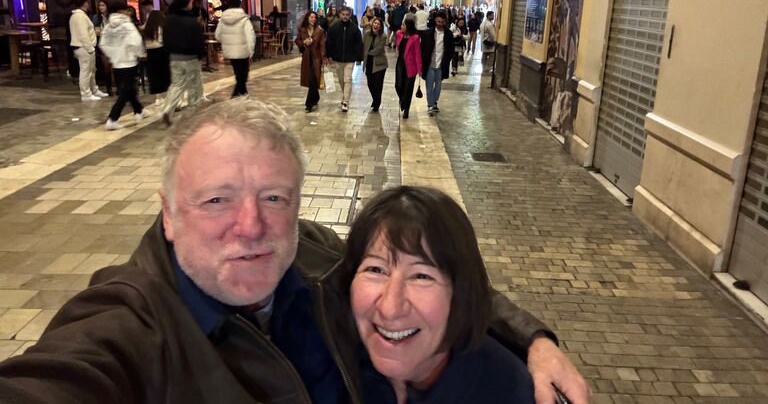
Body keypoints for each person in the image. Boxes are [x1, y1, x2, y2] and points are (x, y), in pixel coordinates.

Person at [0, 98, 590, 404]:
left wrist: (533, 340)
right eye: (216, 201)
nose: (251, 226)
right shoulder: (128, 320)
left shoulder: (314, 256)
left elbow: (435, 274)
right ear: (168, 213)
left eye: (274, 197)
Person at [344, 186, 536, 404]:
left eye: (421, 276)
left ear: (460, 292)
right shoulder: (332, 358)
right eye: (376, 270)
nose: (390, 308)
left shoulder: (508, 389)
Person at [98, 1, 148, 130]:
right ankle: (112, 118)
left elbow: (103, 44)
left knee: (129, 89)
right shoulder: (128, 25)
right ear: (121, 11)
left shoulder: (108, 26)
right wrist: (140, 54)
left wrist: (113, 55)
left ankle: (139, 110)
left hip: (117, 63)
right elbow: (136, 43)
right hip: (129, 62)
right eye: (126, 10)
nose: (128, 12)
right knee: (126, 91)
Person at [161, 0, 206, 126]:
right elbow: (198, 40)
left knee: (176, 84)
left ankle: (168, 109)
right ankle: (193, 114)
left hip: (174, 57)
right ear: (186, 5)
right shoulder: (192, 20)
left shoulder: (168, 20)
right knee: (195, 86)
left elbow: (165, 39)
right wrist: (200, 55)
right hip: (190, 57)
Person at [325, 5, 363, 112]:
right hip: (337, 58)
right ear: (340, 15)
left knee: (348, 79)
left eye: (347, 15)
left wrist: (359, 58)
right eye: (343, 14)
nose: (345, 16)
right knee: (341, 80)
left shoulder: (355, 28)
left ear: (350, 15)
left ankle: (346, 101)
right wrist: (329, 55)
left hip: (350, 59)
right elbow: (329, 42)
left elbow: (359, 44)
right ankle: (344, 96)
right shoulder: (334, 27)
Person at [215, 0, 256, 98]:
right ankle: (236, 96)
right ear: (240, 5)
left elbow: (217, 35)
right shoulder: (244, 19)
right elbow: (250, 35)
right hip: (243, 52)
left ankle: (243, 95)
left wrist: (227, 43)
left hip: (230, 52)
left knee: (239, 75)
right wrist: (251, 51)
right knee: (242, 76)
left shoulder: (223, 19)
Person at [69, 0, 108, 102]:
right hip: (83, 47)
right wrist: (90, 48)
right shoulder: (79, 16)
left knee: (91, 70)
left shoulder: (78, 16)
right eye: (87, 3)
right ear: (84, 4)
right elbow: (83, 34)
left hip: (85, 47)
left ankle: (94, 90)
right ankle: (86, 93)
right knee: (85, 71)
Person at [420, 10, 453, 116]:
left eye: (442, 22)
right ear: (435, 20)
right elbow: (422, 48)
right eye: (438, 21)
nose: (440, 24)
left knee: (438, 86)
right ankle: (430, 105)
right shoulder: (427, 33)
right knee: (429, 86)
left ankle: (434, 102)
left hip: (441, 64)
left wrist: (448, 59)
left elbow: (450, 49)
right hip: (429, 63)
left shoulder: (448, 34)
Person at [295, 10, 326, 112]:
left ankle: (308, 104)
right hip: (307, 58)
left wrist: (323, 58)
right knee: (311, 80)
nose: (313, 19)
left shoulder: (319, 30)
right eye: (311, 17)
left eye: (315, 17)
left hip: (316, 58)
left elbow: (322, 45)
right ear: (307, 18)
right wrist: (303, 42)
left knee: (313, 78)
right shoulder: (302, 29)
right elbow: (297, 40)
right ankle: (316, 97)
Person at [394, 17, 421, 120]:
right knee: (398, 85)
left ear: (408, 26)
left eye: (403, 25)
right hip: (400, 63)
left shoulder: (415, 38)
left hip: (411, 65)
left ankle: (406, 110)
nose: (401, 27)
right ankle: (402, 100)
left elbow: (417, 53)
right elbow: (399, 33)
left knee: (408, 88)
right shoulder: (399, 34)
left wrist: (419, 69)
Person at [143, 9, 170, 106]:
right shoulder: (161, 26)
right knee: (164, 73)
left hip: (150, 53)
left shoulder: (148, 27)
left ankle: (158, 98)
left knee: (154, 75)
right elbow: (163, 40)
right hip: (161, 51)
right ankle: (168, 95)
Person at [362, 17, 388, 112]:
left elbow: (379, 50)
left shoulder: (383, 36)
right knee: (370, 84)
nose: (376, 25)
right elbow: (363, 46)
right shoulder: (366, 34)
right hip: (369, 63)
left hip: (380, 64)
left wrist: (367, 53)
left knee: (378, 85)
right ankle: (375, 99)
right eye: (375, 23)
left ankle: (377, 102)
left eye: (378, 24)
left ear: (381, 27)